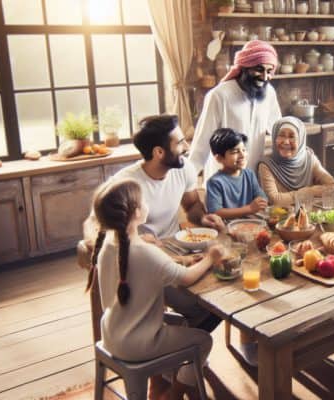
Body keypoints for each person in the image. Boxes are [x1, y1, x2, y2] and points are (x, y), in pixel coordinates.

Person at [83, 115, 223, 334]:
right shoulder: (126, 184)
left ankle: (176, 340)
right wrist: (131, 242)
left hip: (179, 252)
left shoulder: (183, 168)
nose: (186, 147)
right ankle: (181, 348)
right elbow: (93, 226)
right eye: (179, 142)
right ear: (159, 152)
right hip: (145, 263)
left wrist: (203, 218)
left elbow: (193, 205)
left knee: (222, 286)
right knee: (206, 306)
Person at [86, 179, 224, 399]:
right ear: (136, 212)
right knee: (203, 340)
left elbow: (153, 265)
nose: (146, 203)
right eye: (143, 201)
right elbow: (185, 279)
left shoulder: (108, 246)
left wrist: (183, 260)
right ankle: (174, 392)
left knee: (181, 322)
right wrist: (210, 258)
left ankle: (173, 376)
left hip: (112, 334)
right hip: (139, 343)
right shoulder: (144, 252)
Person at [190, 40, 281, 184]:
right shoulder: (219, 95)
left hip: (252, 179)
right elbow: (202, 144)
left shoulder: (269, 93)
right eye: (259, 69)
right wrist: (185, 182)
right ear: (244, 67)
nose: (264, 77)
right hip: (221, 182)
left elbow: (278, 130)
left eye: (269, 71)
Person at [257, 116, 334, 207]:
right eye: (281, 135)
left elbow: (333, 186)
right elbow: (274, 200)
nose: (286, 142)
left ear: (301, 141)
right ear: (275, 137)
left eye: (292, 136)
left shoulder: (309, 159)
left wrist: (309, 191)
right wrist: (305, 194)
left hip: (308, 214)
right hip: (279, 217)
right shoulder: (266, 164)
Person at [206, 128, 268, 219]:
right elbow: (216, 212)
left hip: (250, 224)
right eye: (235, 152)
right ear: (219, 158)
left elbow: (261, 197)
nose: (242, 155)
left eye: (244, 150)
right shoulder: (215, 182)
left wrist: (262, 201)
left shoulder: (249, 174)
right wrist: (250, 208)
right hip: (225, 228)